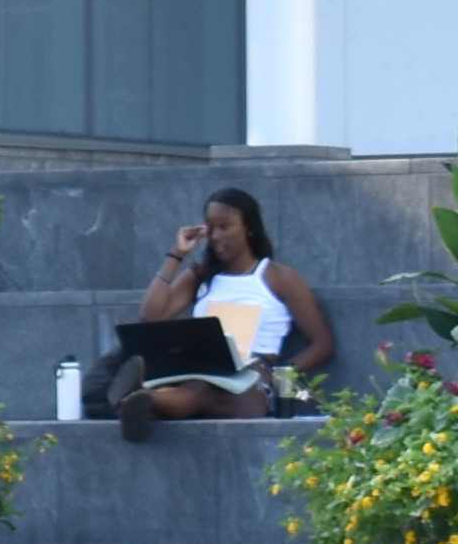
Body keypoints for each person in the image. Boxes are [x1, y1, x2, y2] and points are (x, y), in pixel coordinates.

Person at [118, 184, 333, 431]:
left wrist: (281, 376)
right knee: (198, 389)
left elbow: (322, 344)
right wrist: (176, 255)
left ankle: (146, 400)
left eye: (225, 226)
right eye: (211, 228)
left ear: (249, 228)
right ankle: (146, 400)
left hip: (251, 376)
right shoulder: (201, 276)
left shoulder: (278, 277)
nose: (216, 236)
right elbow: (150, 316)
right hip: (199, 370)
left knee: (204, 395)